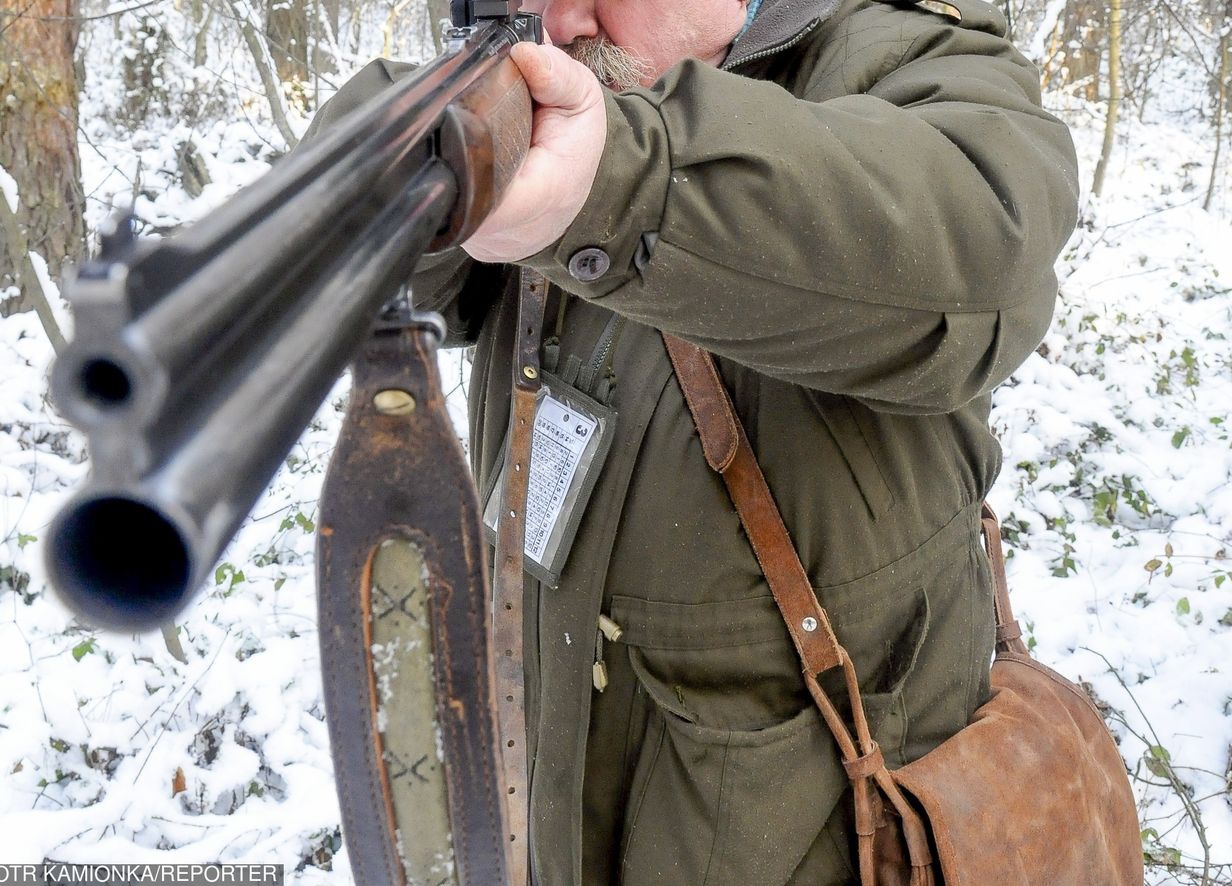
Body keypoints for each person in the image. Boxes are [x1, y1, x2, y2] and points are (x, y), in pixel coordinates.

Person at [302, 0, 1079, 881]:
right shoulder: (570, 74)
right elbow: (387, 287)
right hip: (554, 777)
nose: (558, 21)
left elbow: (985, 238)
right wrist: (420, 161)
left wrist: (616, 185)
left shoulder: (898, 45)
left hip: (820, 828)